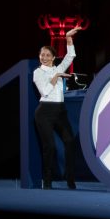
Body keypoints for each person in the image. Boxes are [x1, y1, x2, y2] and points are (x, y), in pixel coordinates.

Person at [32, 26, 83, 189]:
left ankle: (70, 178)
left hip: (60, 111)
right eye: (42, 55)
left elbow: (71, 56)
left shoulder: (58, 68)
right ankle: (47, 181)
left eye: (47, 55)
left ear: (53, 57)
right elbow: (45, 91)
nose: (44, 57)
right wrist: (56, 76)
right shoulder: (38, 72)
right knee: (50, 147)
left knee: (69, 142)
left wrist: (68, 37)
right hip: (44, 112)